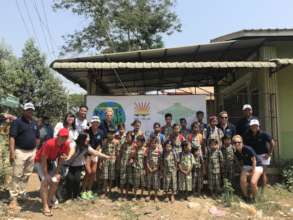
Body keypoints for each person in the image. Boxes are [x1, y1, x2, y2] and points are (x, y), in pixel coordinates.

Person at [9, 102, 40, 209]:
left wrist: (36, 149)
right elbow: (12, 137)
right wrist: (12, 152)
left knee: (27, 174)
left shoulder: (34, 123)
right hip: (20, 151)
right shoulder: (17, 122)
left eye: (31, 110)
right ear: (24, 110)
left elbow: (37, 137)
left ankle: (22, 193)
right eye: (28, 109)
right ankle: (13, 197)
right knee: (17, 174)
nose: (30, 111)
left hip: (32, 151)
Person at [34, 128, 70, 216]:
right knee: (45, 181)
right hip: (40, 161)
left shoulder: (66, 145)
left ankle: (49, 201)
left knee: (56, 180)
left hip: (51, 161)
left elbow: (61, 160)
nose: (63, 139)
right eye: (62, 137)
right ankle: (45, 206)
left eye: (66, 137)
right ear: (58, 135)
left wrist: (57, 172)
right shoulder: (49, 143)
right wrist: (46, 174)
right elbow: (43, 159)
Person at [65, 133, 111, 200]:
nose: (89, 139)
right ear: (82, 139)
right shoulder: (74, 144)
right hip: (69, 165)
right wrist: (68, 156)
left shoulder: (87, 147)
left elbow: (96, 153)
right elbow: (72, 151)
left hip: (78, 165)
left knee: (77, 180)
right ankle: (68, 196)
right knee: (70, 179)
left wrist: (106, 156)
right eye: (87, 138)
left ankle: (75, 196)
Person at [243, 119, 275, 187]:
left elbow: (272, 143)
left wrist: (269, 154)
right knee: (254, 172)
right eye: (252, 126)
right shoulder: (247, 134)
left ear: (258, 126)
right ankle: (254, 186)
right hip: (253, 156)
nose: (254, 127)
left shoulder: (264, 134)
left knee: (263, 173)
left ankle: (263, 188)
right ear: (250, 126)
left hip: (264, 156)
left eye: (256, 126)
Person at [233, 135, 263, 203]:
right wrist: (241, 169)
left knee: (253, 182)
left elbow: (254, 161)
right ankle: (246, 197)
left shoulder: (247, 149)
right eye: (235, 142)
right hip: (246, 166)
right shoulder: (236, 152)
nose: (237, 144)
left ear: (242, 142)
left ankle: (255, 198)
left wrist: (252, 171)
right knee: (242, 180)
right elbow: (239, 161)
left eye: (239, 142)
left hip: (257, 165)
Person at [81, 116, 104, 199]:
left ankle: (89, 191)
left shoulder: (101, 132)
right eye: (94, 122)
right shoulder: (87, 131)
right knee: (88, 172)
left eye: (97, 122)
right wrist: (90, 153)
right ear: (91, 123)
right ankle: (83, 191)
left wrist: (95, 153)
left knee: (93, 173)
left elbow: (100, 144)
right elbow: (85, 143)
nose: (95, 124)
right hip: (87, 153)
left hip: (95, 154)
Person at [100, 128, 119, 197]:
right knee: (105, 176)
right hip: (105, 159)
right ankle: (105, 191)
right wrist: (101, 161)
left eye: (113, 133)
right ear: (107, 134)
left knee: (111, 176)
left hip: (113, 160)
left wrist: (117, 161)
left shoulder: (116, 142)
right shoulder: (105, 141)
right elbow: (102, 151)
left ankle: (110, 190)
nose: (111, 135)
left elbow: (117, 152)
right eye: (110, 133)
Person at [145, 136, 161, 202]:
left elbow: (160, 160)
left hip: (156, 169)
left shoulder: (159, 150)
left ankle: (155, 196)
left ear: (157, 143)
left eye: (155, 143)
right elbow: (146, 160)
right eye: (152, 143)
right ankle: (148, 195)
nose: (153, 144)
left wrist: (156, 168)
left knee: (155, 183)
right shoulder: (148, 150)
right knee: (149, 182)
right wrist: (148, 168)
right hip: (149, 169)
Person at [119, 131, 134, 199]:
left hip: (130, 166)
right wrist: (120, 162)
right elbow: (120, 153)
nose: (127, 138)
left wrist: (132, 159)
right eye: (126, 137)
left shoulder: (134, 145)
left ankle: (126, 194)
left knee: (128, 180)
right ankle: (121, 194)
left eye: (129, 137)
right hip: (123, 164)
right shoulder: (123, 144)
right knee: (122, 179)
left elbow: (135, 155)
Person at [131, 135, 146, 201]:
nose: (137, 142)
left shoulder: (145, 149)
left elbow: (146, 160)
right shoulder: (135, 148)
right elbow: (132, 157)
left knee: (143, 183)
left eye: (138, 141)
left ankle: (142, 196)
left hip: (142, 168)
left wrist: (145, 169)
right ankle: (135, 195)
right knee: (136, 182)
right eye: (136, 141)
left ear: (142, 142)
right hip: (136, 167)